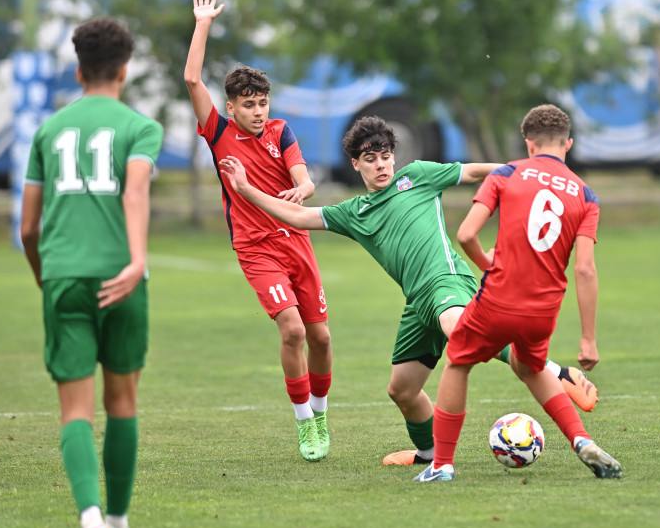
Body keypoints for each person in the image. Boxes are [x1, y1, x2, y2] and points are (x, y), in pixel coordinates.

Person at [219, 114, 599, 467]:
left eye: (385, 156)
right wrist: (246, 189)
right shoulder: (356, 212)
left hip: (448, 282)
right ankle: (427, 453)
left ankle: (556, 371)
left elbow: (474, 173)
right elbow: (299, 215)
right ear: (356, 164)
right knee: (402, 389)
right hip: (418, 303)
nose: (381, 164)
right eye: (370, 158)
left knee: (458, 328)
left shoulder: (418, 175)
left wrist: (527, 170)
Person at [414, 104, 622, 483]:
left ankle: (442, 465)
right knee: (528, 366)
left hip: (498, 298)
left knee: (458, 362)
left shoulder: (508, 173)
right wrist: (588, 340)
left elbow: (465, 234)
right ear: (569, 144)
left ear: (528, 144)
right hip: (543, 309)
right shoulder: (587, 195)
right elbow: (586, 269)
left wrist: (484, 263)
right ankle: (580, 440)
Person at [20, 17, 164, 528]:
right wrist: (137, 261)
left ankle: (90, 523)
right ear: (124, 70)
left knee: (75, 411)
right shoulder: (140, 127)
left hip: (63, 277)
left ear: (79, 70)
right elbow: (133, 194)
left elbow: (29, 228)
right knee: (123, 401)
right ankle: (120, 525)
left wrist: (45, 276)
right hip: (122, 276)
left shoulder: (48, 131)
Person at [184, 0, 333, 462]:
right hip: (255, 247)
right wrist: (203, 22)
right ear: (231, 109)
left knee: (321, 338)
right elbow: (191, 78)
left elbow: (304, 180)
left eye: (263, 103)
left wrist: (301, 192)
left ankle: (322, 410)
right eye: (249, 105)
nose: (258, 111)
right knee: (291, 331)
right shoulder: (218, 133)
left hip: (297, 241)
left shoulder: (280, 131)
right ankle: (306, 425)